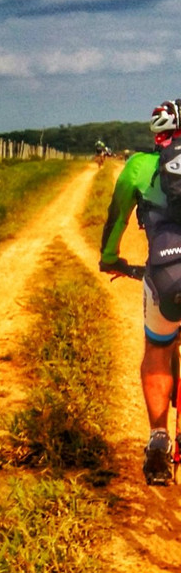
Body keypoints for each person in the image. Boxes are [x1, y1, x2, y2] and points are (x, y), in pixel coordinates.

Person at [99, 99, 181, 485]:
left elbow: (117, 217)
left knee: (158, 351)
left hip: (166, 277)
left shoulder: (138, 167)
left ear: (158, 135)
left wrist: (111, 258)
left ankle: (159, 441)